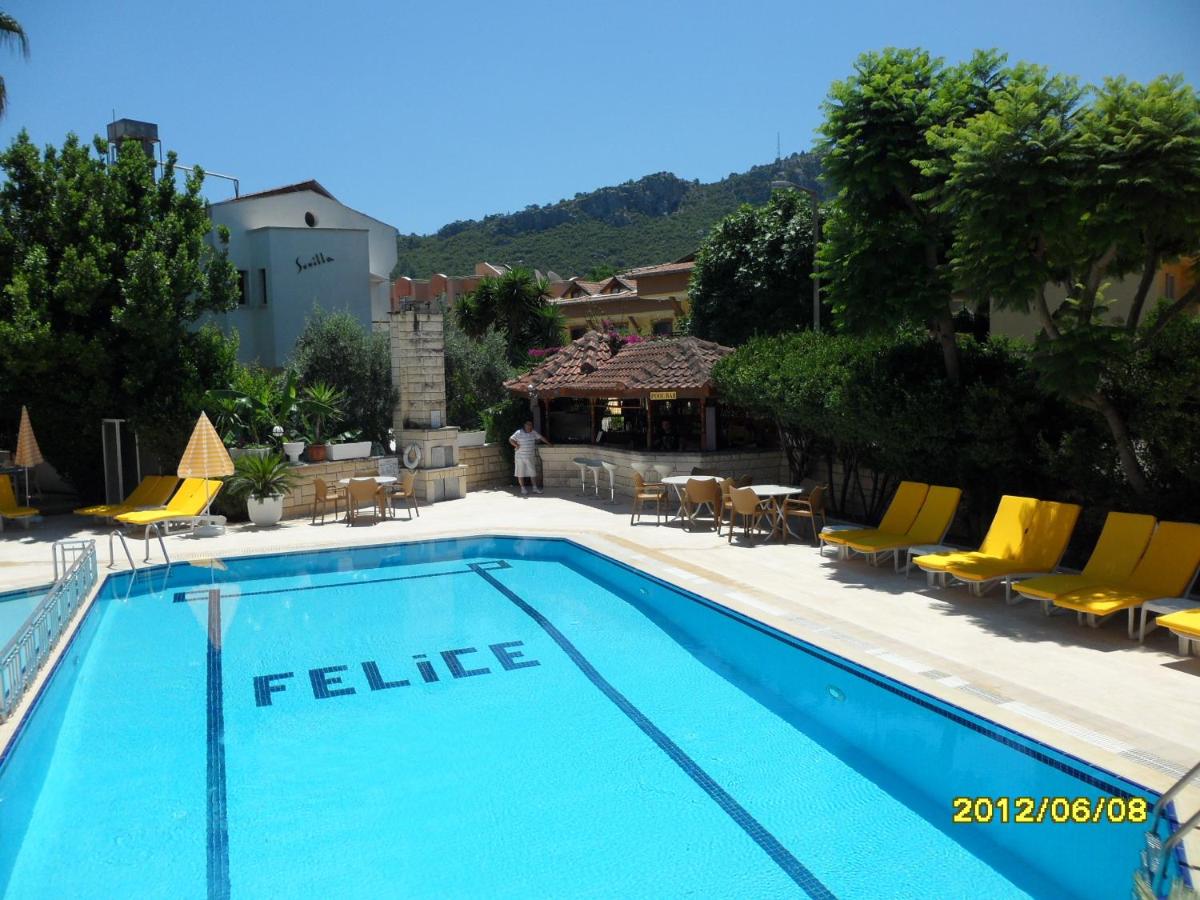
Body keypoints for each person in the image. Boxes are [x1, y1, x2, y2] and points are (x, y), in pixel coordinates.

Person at [509, 420, 552, 495]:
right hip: (520, 457)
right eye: (528, 424)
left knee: (532, 473)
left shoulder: (533, 432)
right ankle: (523, 489)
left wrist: (549, 444)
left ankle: (535, 488)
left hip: (530, 457)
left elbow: (541, 437)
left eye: (531, 425)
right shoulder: (518, 432)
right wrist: (516, 445)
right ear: (525, 425)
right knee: (520, 473)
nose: (530, 426)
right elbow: (510, 439)